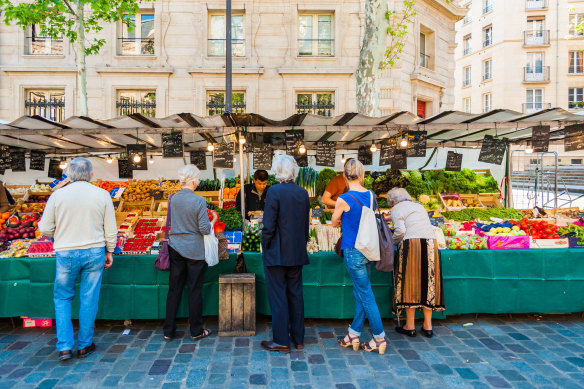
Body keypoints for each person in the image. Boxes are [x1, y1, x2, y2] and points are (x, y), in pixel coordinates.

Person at [38, 158, 117, 361]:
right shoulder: (102, 194)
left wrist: (60, 235)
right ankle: (84, 345)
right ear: (91, 174)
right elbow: (110, 229)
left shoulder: (57, 195)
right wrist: (109, 250)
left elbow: (45, 228)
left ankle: (64, 347)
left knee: (62, 298)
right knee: (89, 298)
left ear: (70, 175)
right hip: (94, 251)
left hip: (66, 252)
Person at [331, 159, 387, 354]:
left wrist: (341, 221)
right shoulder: (371, 195)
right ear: (362, 175)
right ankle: (353, 333)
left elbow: (334, 222)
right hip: (369, 249)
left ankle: (379, 337)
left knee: (365, 294)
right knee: (360, 293)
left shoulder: (343, 198)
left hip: (353, 252)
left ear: (345, 176)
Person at [260, 155, 310, 354]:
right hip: (297, 251)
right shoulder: (302, 193)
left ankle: (281, 340)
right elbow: (305, 225)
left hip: (277, 253)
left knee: (278, 296)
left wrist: (265, 245)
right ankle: (298, 338)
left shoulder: (274, 191)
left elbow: (268, 225)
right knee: (296, 294)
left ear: (277, 171)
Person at [164, 164, 218, 341]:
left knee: (174, 290)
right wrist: (214, 219)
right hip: (194, 251)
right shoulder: (199, 201)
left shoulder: (173, 198)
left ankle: (168, 331)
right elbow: (204, 229)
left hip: (175, 248)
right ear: (194, 181)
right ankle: (196, 331)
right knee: (194, 290)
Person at [388, 187, 445, 338]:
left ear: (393, 201)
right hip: (430, 243)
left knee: (410, 283)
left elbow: (400, 231)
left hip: (411, 244)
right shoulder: (419, 206)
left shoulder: (397, 208)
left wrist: (390, 243)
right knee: (429, 283)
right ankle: (428, 325)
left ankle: (410, 325)